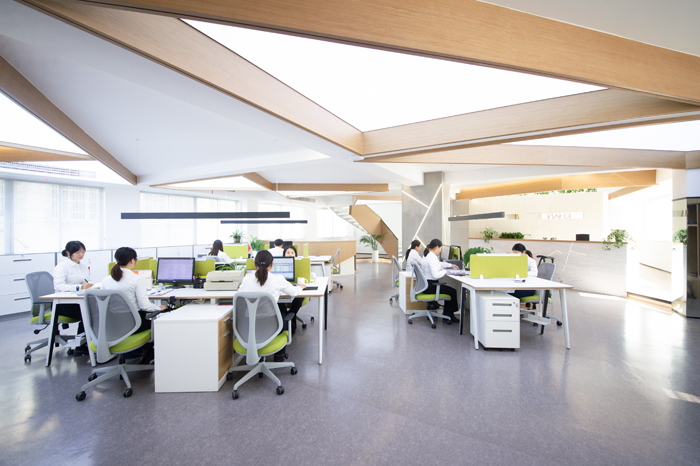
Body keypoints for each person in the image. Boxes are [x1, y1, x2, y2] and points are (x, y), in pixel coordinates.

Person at [101, 247, 169, 363]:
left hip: (112, 325)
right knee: (156, 322)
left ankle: (135, 353)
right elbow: (145, 306)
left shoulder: (106, 280)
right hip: (134, 325)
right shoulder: (137, 279)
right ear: (133, 260)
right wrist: (159, 308)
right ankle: (148, 355)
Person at [239, 250, 305, 359]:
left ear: (255, 264)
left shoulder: (246, 280)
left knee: (280, 307)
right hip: (272, 327)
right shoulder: (277, 279)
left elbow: (239, 296)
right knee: (281, 312)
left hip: (249, 326)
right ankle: (279, 356)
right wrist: (300, 287)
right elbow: (294, 292)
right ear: (272, 264)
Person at [53, 241, 92, 355]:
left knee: (95, 309)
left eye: (83, 251)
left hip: (79, 300)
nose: (81, 254)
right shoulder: (62, 267)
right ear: (68, 253)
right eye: (77, 252)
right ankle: (81, 346)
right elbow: (58, 286)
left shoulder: (83, 266)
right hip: (64, 304)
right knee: (90, 313)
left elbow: (85, 281)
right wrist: (79, 287)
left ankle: (88, 342)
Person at [421, 239, 460, 322]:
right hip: (431, 286)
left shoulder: (429, 255)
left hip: (427, 285)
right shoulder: (432, 258)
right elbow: (435, 275)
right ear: (436, 247)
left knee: (449, 290)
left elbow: (438, 264)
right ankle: (449, 314)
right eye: (440, 248)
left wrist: (450, 265)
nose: (440, 251)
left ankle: (447, 313)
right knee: (452, 291)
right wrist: (445, 271)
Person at [282, 245, 306, 332]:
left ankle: (290, 314)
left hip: (295, 286)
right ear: (284, 255)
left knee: (300, 295)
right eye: (287, 253)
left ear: (295, 255)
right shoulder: (280, 264)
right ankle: (287, 319)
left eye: (292, 253)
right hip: (283, 287)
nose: (290, 254)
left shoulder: (299, 264)